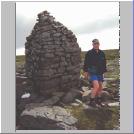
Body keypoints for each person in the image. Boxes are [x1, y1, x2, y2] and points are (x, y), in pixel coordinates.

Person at [83, 39, 107, 107]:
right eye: (94, 44)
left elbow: (104, 63)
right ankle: (91, 100)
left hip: (100, 72)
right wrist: (85, 71)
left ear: (99, 44)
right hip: (92, 71)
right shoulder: (89, 53)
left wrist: (104, 72)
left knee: (100, 87)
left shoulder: (102, 53)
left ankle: (99, 100)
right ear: (92, 44)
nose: (96, 45)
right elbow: (86, 63)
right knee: (96, 86)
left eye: (97, 44)